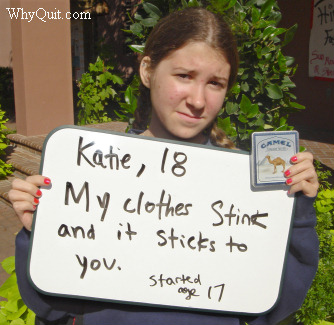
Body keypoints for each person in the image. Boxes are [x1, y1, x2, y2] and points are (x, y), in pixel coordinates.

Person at [9, 7, 319, 325]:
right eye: (184, 76)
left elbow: (273, 306)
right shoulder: (92, 175)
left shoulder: (245, 189)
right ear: (147, 70)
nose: (198, 100)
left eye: (215, 83)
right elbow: (52, 308)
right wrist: (40, 232)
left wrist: (295, 213)